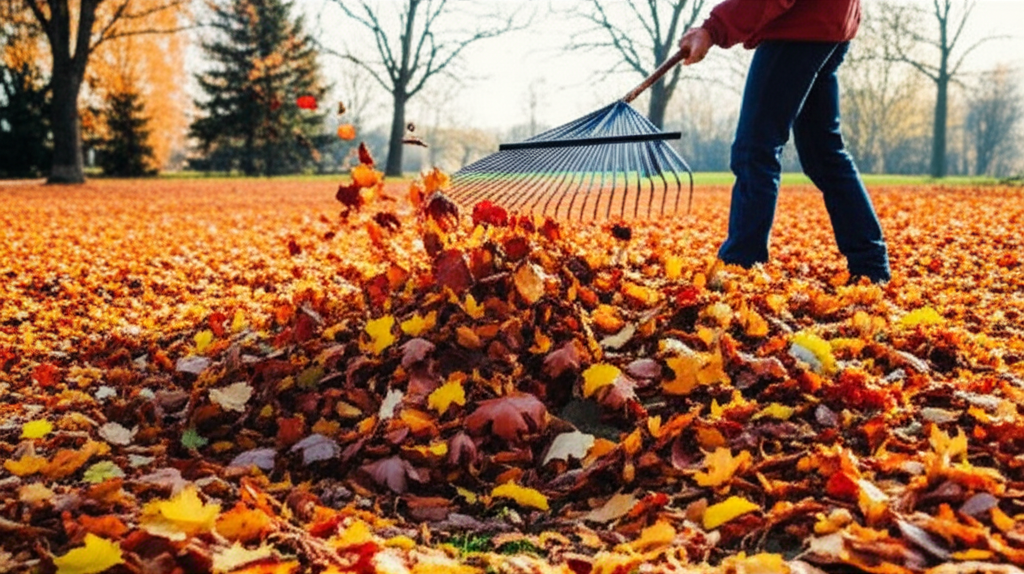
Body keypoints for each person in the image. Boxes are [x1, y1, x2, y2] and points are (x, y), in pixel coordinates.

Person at [678, 0, 891, 284]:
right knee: (825, 154)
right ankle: (871, 266)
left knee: (755, 149)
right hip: (830, 25)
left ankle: (741, 267)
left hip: (800, 26)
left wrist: (713, 29)